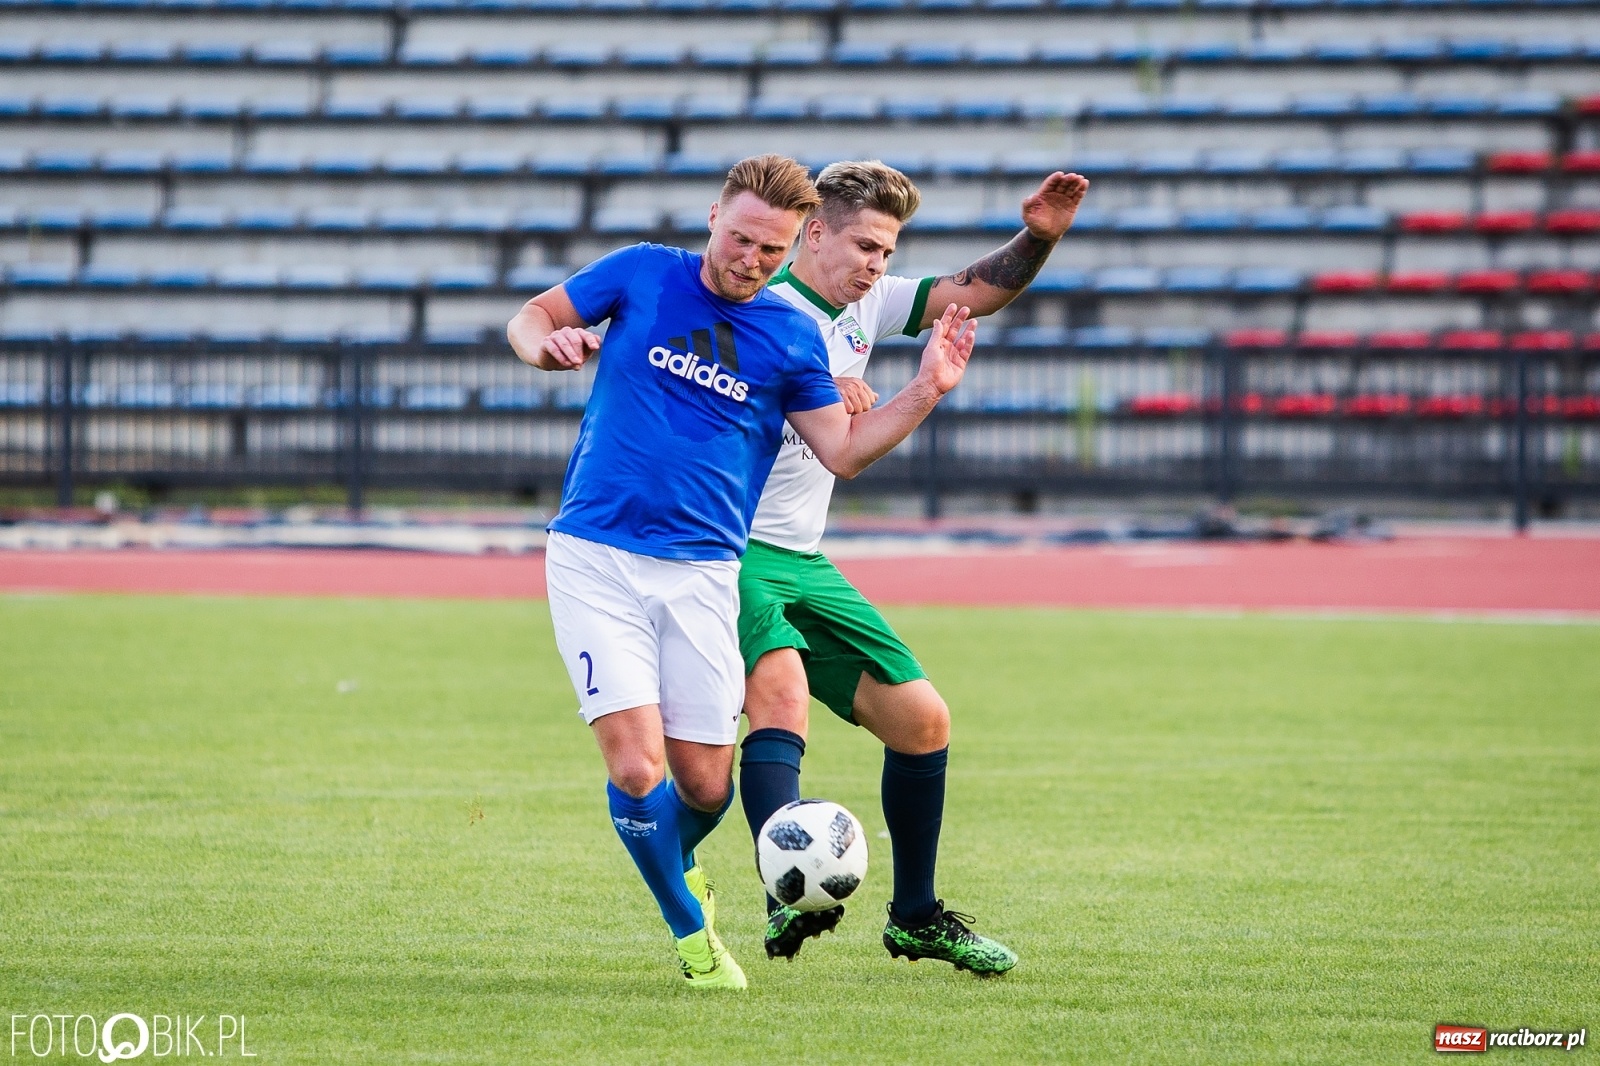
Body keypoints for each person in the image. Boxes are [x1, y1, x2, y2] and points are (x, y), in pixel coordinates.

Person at [505, 154, 979, 990]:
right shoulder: (644, 273)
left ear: (795, 242)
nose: (751, 260)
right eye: (741, 239)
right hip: (596, 557)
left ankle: (699, 868)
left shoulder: (792, 336)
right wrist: (549, 346)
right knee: (638, 768)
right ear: (716, 214)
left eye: (771, 250)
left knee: (705, 784)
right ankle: (694, 937)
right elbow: (533, 316)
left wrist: (927, 389)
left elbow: (844, 451)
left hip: (704, 573)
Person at [737, 161, 1089, 975]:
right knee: (782, 696)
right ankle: (785, 888)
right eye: (864, 244)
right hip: (730, 547)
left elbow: (981, 290)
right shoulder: (755, 301)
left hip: (802, 556)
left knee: (922, 719)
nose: (876, 264)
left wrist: (1037, 236)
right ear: (812, 232)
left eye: (888, 250)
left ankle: (917, 917)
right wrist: (819, 388)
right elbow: (726, 387)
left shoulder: (869, 303)